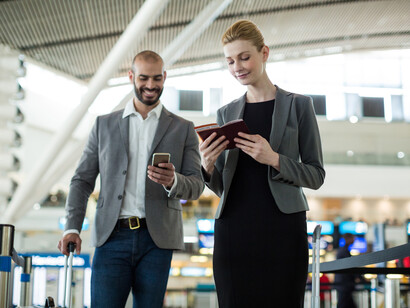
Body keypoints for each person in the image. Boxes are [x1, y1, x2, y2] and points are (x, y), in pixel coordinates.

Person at [57, 50, 204, 308]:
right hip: (111, 237)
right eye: (144, 78)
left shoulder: (183, 129)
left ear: (165, 77)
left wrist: (172, 181)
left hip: (156, 241)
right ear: (131, 76)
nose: (150, 85)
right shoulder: (104, 125)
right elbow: (81, 181)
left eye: (157, 79)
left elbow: (196, 185)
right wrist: (72, 227)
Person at [199, 20, 325, 307]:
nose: (237, 67)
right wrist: (206, 165)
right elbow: (221, 185)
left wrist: (274, 159)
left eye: (245, 57)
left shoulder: (299, 105)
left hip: (283, 227)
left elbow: (316, 175)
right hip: (233, 228)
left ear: (264, 53)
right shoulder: (225, 112)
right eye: (230, 61)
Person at [335, 233, 357, 308]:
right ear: (348, 239)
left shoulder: (343, 250)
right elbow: (350, 267)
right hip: (344, 284)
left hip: (343, 284)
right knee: (343, 303)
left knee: (346, 303)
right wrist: (359, 277)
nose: (354, 240)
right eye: (353, 238)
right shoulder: (344, 251)